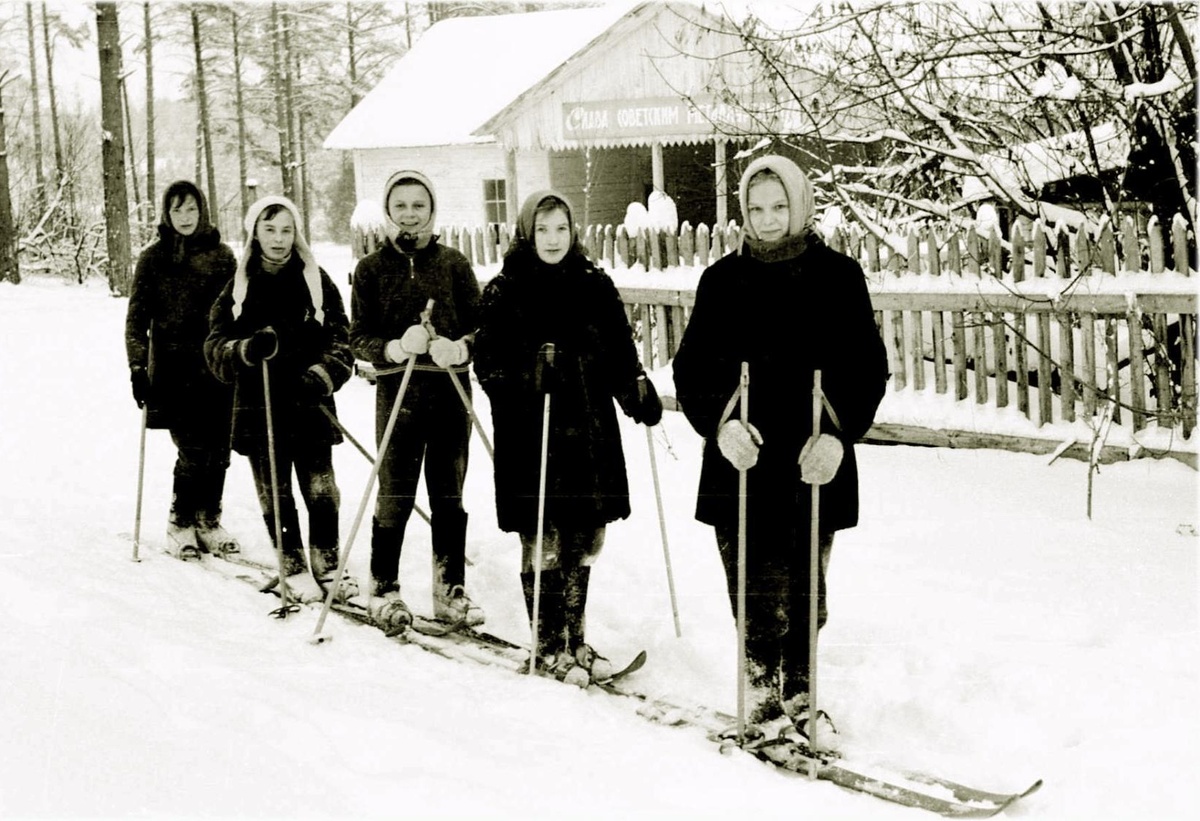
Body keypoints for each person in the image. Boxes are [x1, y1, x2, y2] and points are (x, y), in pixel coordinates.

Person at [671, 155, 888, 746]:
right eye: (756, 208)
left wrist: (838, 435)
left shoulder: (839, 278)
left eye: (779, 206)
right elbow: (690, 368)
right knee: (756, 586)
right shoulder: (721, 281)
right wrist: (721, 425)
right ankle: (763, 698)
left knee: (805, 587)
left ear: (801, 205)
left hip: (810, 457)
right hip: (743, 459)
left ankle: (801, 692)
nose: (767, 220)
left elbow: (868, 368)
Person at [473, 190, 663, 686]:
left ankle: (575, 639)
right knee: (544, 538)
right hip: (530, 436)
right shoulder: (504, 291)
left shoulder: (595, 286)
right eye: (542, 229)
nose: (553, 239)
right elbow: (487, 367)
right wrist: (530, 376)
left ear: (573, 231)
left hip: (588, 430)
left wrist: (637, 390)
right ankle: (549, 644)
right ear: (525, 232)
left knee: (585, 537)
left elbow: (620, 353)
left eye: (561, 228)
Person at [349, 170, 484, 627]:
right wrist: (394, 348)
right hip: (398, 397)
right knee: (396, 494)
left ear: (432, 210)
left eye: (419, 206)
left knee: (449, 495)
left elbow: (483, 328)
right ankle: (383, 588)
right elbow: (358, 338)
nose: (410, 215)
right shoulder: (370, 270)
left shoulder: (454, 264)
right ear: (388, 211)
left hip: (449, 396)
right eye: (401, 206)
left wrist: (461, 347)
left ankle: (450, 589)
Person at [204, 196, 354, 602]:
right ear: (255, 233)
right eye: (269, 229)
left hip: (309, 402)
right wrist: (247, 350)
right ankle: (292, 565)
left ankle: (328, 560)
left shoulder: (316, 281)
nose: (279, 238)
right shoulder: (238, 288)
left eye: (287, 229)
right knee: (276, 490)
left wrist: (322, 374)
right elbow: (214, 347)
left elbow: (343, 338)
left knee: (322, 489)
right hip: (260, 405)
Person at [125, 180, 240, 559]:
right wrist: (138, 366)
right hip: (175, 370)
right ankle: (180, 521)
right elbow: (136, 320)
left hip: (218, 366)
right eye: (177, 210)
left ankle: (208, 518)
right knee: (192, 449)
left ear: (202, 210)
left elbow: (239, 310)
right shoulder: (154, 259)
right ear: (166, 214)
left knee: (219, 448)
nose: (185, 217)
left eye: (191, 209)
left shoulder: (223, 256)